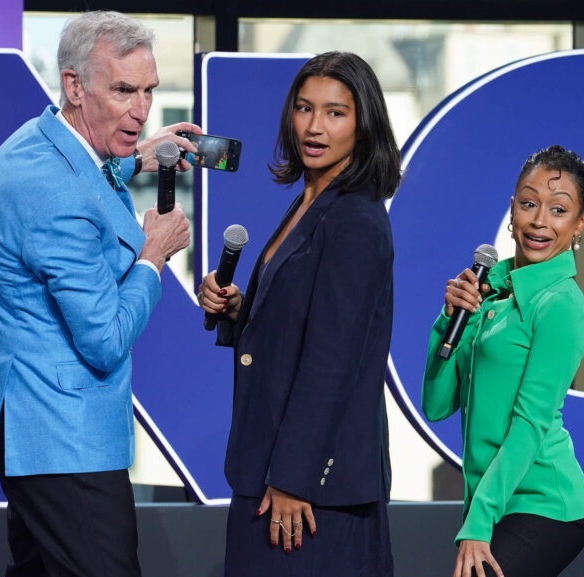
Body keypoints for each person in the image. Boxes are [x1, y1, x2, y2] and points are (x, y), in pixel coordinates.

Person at [0, 11, 199, 576]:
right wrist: (153, 257)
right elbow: (105, 340)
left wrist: (136, 159)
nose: (141, 109)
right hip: (60, 433)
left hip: (28, 417)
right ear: (74, 86)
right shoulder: (53, 191)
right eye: (123, 91)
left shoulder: (41, 143)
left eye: (148, 91)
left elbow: (82, 177)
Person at [196, 51, 400, 576]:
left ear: (365, 123)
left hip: (308, 492)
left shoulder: (355, 218)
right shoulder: (312, 199)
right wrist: (240, 311)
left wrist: (292, 478)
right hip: (267, 468)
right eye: (305, 109)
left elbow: (333, 361)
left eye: (335, 113)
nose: (315, 127)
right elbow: (300, 324)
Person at [422, 145, 584, 577]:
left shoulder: (561, 305)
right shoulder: (492, 291)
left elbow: (529, 423)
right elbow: (437, 404)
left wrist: (478, 523)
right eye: (529, 203)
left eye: (559, 209)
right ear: (512, 210)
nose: (539, 221)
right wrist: (449, 320)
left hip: (545, 504)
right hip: (496, 500)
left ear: (580, 224)